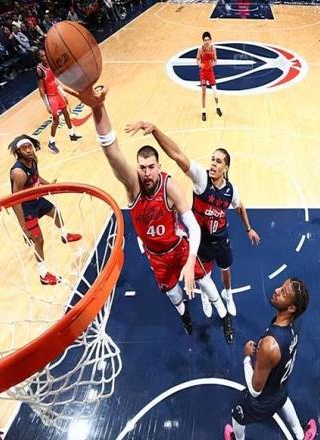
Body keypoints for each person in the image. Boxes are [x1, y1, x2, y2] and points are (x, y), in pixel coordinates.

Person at [66, 86, 233, 342]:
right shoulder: (133, 186)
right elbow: (112, 153)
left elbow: (192, 226)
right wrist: (98, 108)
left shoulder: (169, 186)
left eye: (151, 167)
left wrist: (190, 260)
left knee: (207, 283)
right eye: (142, 167)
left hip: (178, 247)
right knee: (173, 295)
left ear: (158, 167)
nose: (146, 172)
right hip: (156, 255)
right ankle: (186, 317)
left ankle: (224, 317)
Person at [125, 121, 260, 318]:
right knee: (203, 275)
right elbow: (177, 155)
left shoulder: (231, 190)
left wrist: (248, 228)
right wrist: (155, 130)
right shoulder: (201, 178)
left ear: (226, 168)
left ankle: (227, 294)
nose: (213, 164)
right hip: (201, 238)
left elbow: (239, 207)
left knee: (225, 269)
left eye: (218, 161)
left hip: (221, 237)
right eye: (212, 159)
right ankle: (206, 296)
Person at [224, 278, 317, 440]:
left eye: (283, 292)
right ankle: (301, 436)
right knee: (283, 400)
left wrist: (246, 358)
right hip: (280, 389)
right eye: (281, 286)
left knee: (237, 415)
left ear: (291, 308)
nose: (276, 290)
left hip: (262, 402)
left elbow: (255, 390)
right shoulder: (294, 326)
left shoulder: (269, 345)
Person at [8, 134, 82, 285]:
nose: (28, 150)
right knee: (39, 240)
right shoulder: (19, 173)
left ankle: (65, 236)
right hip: (26, 207)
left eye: (29, 147)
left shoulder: (33, 160)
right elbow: (16, 201)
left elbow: (37, 177)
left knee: (57, 213)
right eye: (24, 148)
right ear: (18, 152)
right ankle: (43, 275)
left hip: (37, 200)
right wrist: (23, 227)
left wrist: (50, 186)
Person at [36, 49, 81, 154]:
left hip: (57, 93)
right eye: (42, 56)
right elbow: (41, 89)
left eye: (45, 55)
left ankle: (72, 134)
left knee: (66, 113)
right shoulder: (39, 70)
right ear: (39, 58)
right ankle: (51, 142)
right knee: (56, 121)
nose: (45, 57)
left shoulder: (50, 64)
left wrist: (63, 93)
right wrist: (46, 104)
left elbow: (55, 80)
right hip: (51, 97)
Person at [197, 31, 222, 122]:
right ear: (203, 41)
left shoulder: (213, 49)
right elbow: (197, 59)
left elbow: (215, 60)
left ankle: (218, 107)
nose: (206, 41)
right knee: (204, 93)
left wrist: (213, 64)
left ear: (210, 40)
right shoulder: (200, 49)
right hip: (203, 73)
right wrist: (200, 64)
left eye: (208, 39)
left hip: (210, 72)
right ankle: (203, 111)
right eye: (205, 40)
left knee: (215, 91)